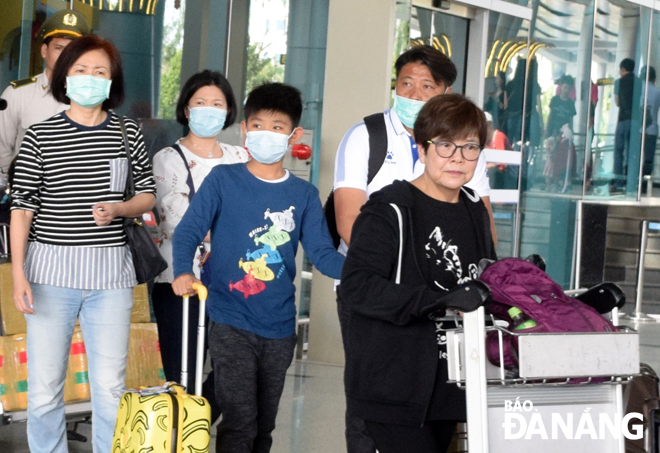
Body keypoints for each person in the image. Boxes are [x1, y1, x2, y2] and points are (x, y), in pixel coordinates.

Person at [333, 44, 494, 453]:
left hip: (449, 379)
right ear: (421, 148)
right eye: (445, 145)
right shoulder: (389, 208)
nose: (457, 158)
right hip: (394, 381)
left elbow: (481, 275)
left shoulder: (474, 209)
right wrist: (434, 300)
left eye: (470, 147)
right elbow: (358, 286)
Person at [171, 82, 345, 452]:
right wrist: (182, 270)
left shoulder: (303, 195)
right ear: (246, 129)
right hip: (230, 318)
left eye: (278, 127)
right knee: (239, 420)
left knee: (264, 425)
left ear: (294, 134)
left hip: (279, 328)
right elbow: (188, 231)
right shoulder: (223, 180)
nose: (268, 133)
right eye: (259, 124)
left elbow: (323, 253)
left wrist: (364, 270)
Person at [10, 35, 156, 453]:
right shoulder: (40, 135)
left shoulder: (128, 133)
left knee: (110, 388)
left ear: (112, 82)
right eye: (80, 70)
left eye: (100, 72)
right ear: (64, 77)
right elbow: (22, 209)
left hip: (110, 276)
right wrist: (18, 274)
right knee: (43, 388)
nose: (90, 79)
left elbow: (146, 195)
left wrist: (120, 207)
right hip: (49, 275)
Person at [152, 69, 249, 422]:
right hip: (182, 281)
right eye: (200, 102)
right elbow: (181, 221)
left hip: (235, 281)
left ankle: (196, 421)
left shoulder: (242, 158)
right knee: (183, 374)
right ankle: (181, 433)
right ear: (187, 109)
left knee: (235, 369)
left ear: (228, 111)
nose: (209, 109)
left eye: (217, 103)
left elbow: (256, 213)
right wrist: (235, 229)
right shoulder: (168, 158)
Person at [0, 9, 90, 173]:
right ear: (44, 51)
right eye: (59, 48)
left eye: (73, 50)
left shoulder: (93, 97)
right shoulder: (17, 95)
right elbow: (2, 153)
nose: (66, 56)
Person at [613, 58, 641, 190]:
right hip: (635, 121)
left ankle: (618, 182)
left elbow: (617, 102)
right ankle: (631, 184)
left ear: (623, 69)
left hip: (622, 120)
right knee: (632, 153)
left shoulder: (618, 82)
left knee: (619, 152)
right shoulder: (639, 82)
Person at [640, 66, 660, 178]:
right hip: (652, 129)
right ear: (654, 78)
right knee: (648, 159)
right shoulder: (658, 91)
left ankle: (633, 182)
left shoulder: (637, 89)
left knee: (634, 156)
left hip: (637, 129)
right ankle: (645, 182)